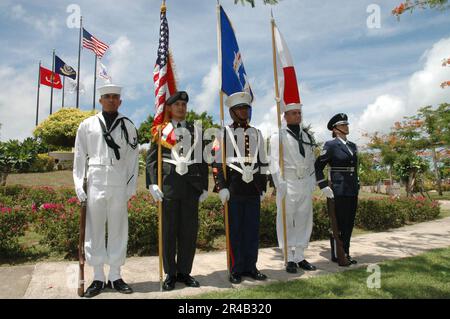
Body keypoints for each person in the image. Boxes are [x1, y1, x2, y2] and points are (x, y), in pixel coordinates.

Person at [73, 84, 139, 297]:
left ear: (120, 101)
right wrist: (78, 185)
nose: (111, 100)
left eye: (115, 97)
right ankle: (99, 277)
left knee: (119, 228)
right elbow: (80, 156)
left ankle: (116, 276)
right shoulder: (87, 125)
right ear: (100, 100)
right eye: (107, 97)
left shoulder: (127, 125)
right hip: (95, 180)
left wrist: (130, 186)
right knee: (95, 229)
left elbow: (132, 158)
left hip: (119, 180)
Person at [146, 91, 209, 291]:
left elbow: (201, 159)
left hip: (191, 187)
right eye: (177, 104)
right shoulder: (161, 130)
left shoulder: (196, 130)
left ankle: (184, 272)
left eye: (183, 104)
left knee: (189, 232)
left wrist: (205, 186)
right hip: (169, 186)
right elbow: (151, 160)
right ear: (170, 108)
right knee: (169, 231)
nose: (181, 107)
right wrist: (151, 183)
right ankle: (170, 273)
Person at [212, 91, 269, 284]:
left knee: (252, 231)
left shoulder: (257, 133)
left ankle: (251, 267)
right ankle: (235, 269)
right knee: (235, 231)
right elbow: (217, 163)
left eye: (246, 108)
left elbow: (263, 162)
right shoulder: (222, 133)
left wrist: (262, 187)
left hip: (252, 190)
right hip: (234, 190)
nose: (244, 111)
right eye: (240, 108)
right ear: (232, 112)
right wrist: (221, 187)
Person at [270, 104, 317, 273]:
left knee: (304, 219)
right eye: (293, 113)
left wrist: (313, 180)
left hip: (304, 182)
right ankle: (288, 257)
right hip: (287, 183)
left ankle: (300, 255)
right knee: (286, 220)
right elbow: (273, 161)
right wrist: (278, 182)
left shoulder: (307, 136)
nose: (298, 116)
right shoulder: (279, 137)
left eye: (299, 113)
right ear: (285, 116)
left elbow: (312, 160)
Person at [315, 113, 359, 265]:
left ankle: (346, 252)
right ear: (335, 129)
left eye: (347, 124)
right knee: (338, 223)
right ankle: (337, 254)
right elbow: (318, 167)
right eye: (343, 125)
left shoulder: (353, 146)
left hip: (352, 188)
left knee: (349, 223)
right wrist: (323, 185)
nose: (347, 126)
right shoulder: (331, 145)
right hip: (338, 189)